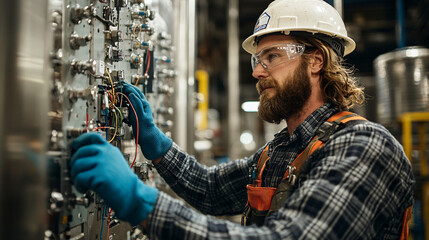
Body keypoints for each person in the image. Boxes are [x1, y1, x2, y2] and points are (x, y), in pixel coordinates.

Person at [70, 0, 415, 239]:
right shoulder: (282, 150)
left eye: (272, 56)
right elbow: (211, 189)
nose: (259, 71)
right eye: (257, 60)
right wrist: (157, 146)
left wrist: (140, 201)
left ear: (316, 61)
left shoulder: (365, 146)